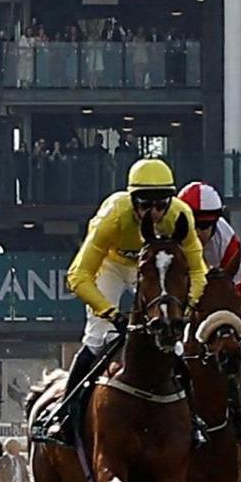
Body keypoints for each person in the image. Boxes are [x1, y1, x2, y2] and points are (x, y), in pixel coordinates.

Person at [41, 159, 208, 451]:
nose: (154, 213)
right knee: (96, 339)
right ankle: (65, 416)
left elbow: (198, 271)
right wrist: (111, 313)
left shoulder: (181, 216)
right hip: (112, 266)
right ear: (133, 200)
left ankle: (193, 421)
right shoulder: (114, 216)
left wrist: (188, 307)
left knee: (176, 347)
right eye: (146, 204)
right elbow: (78, 275)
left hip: (155, 269)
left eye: (161, 204)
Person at [178, 184, 241, 323]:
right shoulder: (168, 232)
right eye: (191, 226)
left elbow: (234, 292)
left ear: (215, 223)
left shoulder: (228, 242)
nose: (196, 232)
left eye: (203, 226)